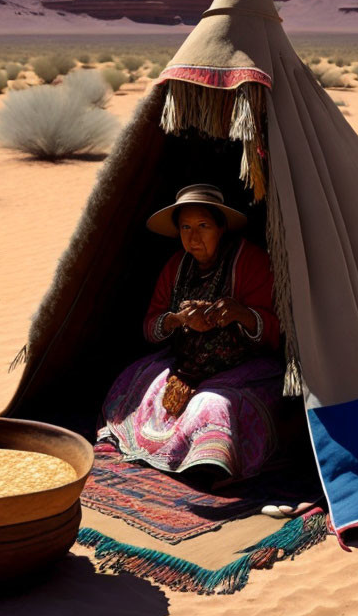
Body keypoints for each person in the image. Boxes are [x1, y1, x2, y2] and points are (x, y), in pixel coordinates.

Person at [97, 184, 287, 487]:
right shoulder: (176, 267)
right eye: (185, 227)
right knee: (138, 379)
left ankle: (209, 464)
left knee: (211, 405)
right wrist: (175, 320)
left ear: (221, 227)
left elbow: (277, 331)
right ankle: (162, 454)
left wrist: (240, 314)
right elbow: (150, 325)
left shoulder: (250, 262)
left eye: (203, 226)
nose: (193, 237)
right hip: (185, 364)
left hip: (244, 368)